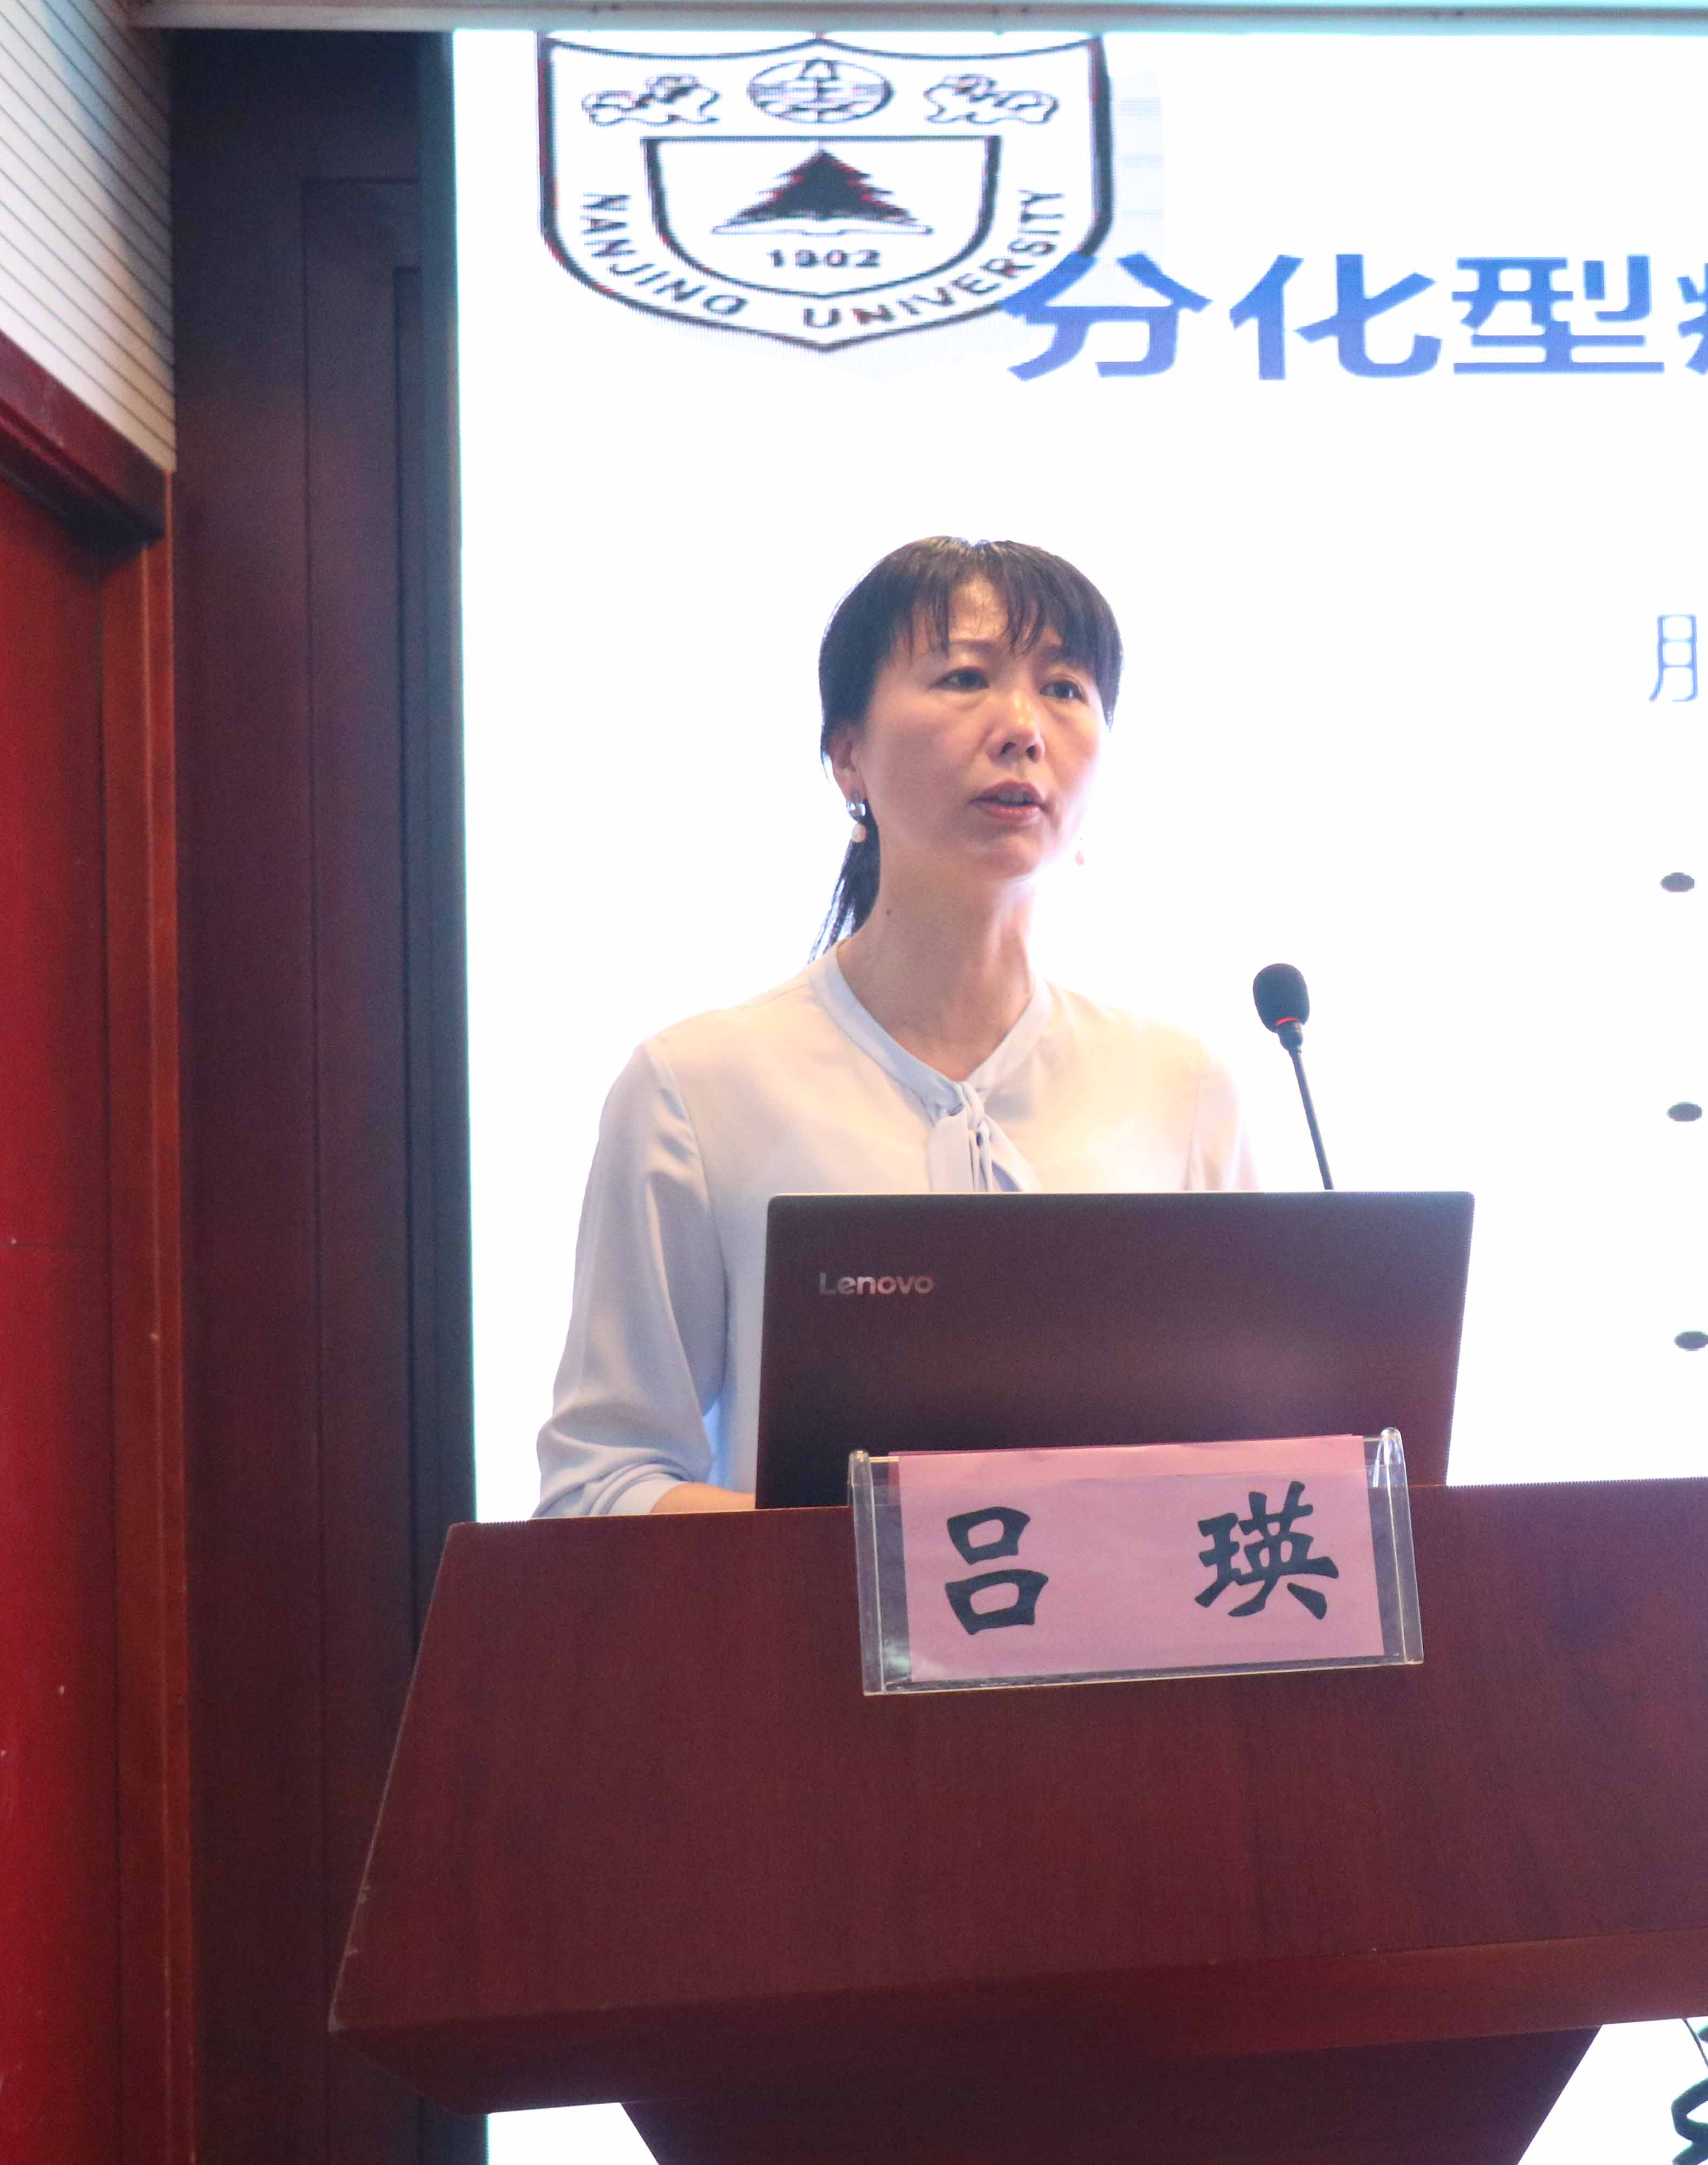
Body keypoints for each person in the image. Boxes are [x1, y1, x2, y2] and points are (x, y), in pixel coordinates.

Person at [533, 538, 1254, 1517]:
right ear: (848, 755)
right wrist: (882, 1554)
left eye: (1065, 689)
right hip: (811, 1625)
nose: (1022, 730)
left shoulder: (1183, 1085)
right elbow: (600, 1484)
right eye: (965, 678)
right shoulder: (696, 1087)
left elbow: (1267, 1463)